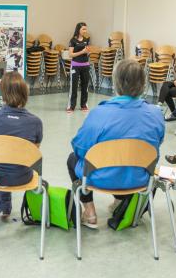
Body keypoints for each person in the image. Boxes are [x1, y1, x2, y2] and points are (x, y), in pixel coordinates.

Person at [67, 59, 165, 228]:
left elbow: (80, 148)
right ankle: (121, 203)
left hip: (102, 177)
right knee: (129, 158)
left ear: (116, 83)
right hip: (139, 177)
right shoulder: (156, 114)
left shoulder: (99, 113)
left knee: (72, 159)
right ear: (143, 82)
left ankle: (89, 211)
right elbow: (157, 144)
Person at [0, 70, 43, 218]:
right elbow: (34, 151)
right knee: (12, 158)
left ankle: (4, 209)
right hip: (21, 176)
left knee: (0, 159)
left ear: (3, 94)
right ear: (25, 93)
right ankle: (24, 209)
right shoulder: (35, 122)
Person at [67, 22, 91, 113]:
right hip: (75, 66)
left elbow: (87, 52)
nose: (85, 31)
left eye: (86, 29)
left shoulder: (87, 40)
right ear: (78, 30)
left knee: (85, 86)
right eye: (83, 29)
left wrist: (88, 52)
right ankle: (71, 106)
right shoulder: (73, 40)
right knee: (73, 87)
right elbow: (70, 54)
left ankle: (83, 105)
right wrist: (82, 51)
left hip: (85, 66)